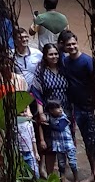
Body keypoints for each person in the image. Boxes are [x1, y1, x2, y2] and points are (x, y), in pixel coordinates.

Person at [59, 32, 95, 182]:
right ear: (64, 46)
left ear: (77, 43)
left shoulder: (87, 61)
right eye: (68, 45)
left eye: (73, 44)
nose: (71, 47)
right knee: (87, 141)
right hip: (77, 108)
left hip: (91, 108)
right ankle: (93, 173)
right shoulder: (65, 62)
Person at [30, 42, 70, 175]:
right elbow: (37, 92)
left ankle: (62, 176)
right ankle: (48, 174)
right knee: (49, 146)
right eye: (51, 54)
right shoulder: (41, 71)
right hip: (48, 111)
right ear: (45, 56)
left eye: (56, 54)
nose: (54, 56)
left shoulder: (64, 69)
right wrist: (40, 112)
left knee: (64, 142)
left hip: (64, 110)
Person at [45, 100, 79, 182]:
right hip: (59, 146)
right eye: (57, 108)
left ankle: (76, 181)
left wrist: (48, 124)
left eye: (60, 107)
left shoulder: (64, 117)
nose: (60, 109)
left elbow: (60, 128)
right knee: (61, 165)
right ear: (51, 111)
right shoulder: (50, 117)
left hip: (68, 144)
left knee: (73, 163)